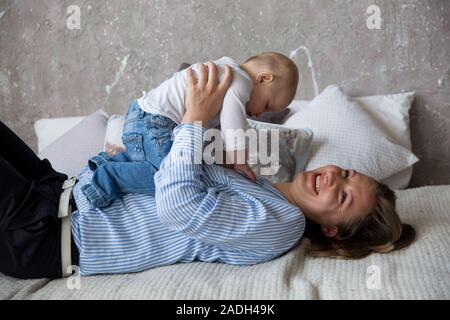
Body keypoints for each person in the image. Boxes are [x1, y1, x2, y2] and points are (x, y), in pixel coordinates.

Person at [0, 61, 415, 280]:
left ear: (330, 229)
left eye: (341, 197)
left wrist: (194, 120)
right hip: (58, 190)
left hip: (48, 233)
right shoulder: (263, 182)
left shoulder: (283, 226)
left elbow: (177, 207)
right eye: (343, 172)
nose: (331, 178)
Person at [81, 52, 300, 208]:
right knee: (166, 177)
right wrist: (240, 160)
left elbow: (213, 135)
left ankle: (109, 161)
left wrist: (224, 159)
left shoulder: (226, 71)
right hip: (157, 121)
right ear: (264, 79)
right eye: (268, 105)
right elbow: (234, 127)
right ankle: (106, 179)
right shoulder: (240, 81)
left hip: (142, 117)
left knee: (158, 163)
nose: (261, 114)